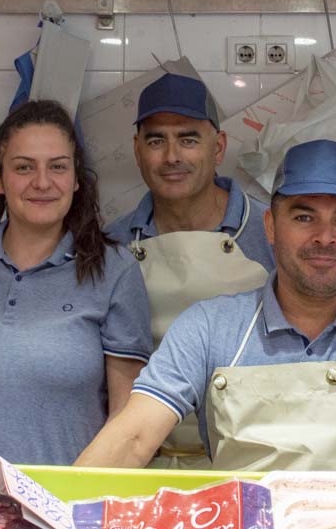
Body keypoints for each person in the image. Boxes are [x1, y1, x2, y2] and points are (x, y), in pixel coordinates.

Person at [78, 139, 336, 516]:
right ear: (270, 226)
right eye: (304, 216)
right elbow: (133, 437)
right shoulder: (208, 326)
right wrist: (52, 510)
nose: (325, 237)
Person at [0, 100, 152, 472]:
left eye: (58, 167)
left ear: (76, 179)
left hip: (64, 512)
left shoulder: (113, 269)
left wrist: (70, 504)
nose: (42, 182)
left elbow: (126, 417)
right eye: (23, 167)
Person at [105, 72, 275, 468]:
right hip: (140, 464)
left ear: (219, 147)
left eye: (188, 138)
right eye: (155, 140)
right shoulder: (110, 246)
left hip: (253, 464)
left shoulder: (271, 234)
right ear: (136, 150)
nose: (171, 157)